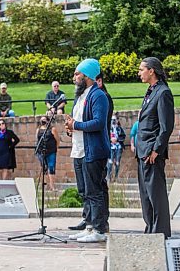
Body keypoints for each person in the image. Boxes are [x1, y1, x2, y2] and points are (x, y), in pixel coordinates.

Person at [65, 58, 110, 243]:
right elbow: (80, 124)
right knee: (84, 191)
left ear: (88, 76)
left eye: (78, 74)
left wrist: (76, 124)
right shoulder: (81, 96)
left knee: (94, 191)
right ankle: (89, 226)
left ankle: (99, 230)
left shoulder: (98, 95)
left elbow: (99, 123)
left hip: (93, 151)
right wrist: (71, 128)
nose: (74, 77)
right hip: (79, 149)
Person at [135, 57, 174, 239]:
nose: (139, 72)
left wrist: (156, 149)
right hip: (142, 151)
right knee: (146, 195)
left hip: (152, 151)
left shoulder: (163, 92)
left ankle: (160, 232)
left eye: (142, 69)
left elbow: (166, 126)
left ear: (152, 71)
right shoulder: (151, 91)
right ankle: (150, 228)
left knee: (156, 194)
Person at [35, 115, 59, 191]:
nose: (43, 122)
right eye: (42, 120)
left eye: (44, 120)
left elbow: (57, 140)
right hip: (41, 151)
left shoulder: (52, 129)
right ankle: (45, 185)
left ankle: (52, 186)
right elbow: (37, 140)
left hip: (51, 151)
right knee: (44, 168)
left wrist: (56, 148)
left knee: (51, 167)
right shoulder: (38, 129)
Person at [107, 115, 126, 182]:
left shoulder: (119, 129)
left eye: (115, 120)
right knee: (110, 162)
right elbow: (105, 137)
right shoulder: (108, 128)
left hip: (118, 147)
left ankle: (116, 177)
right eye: (112, 120)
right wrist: (110, 140)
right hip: (111, 147)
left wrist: (117, 139)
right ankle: (108, 177)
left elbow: (123, 136)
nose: (114, 121)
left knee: (117, 162)